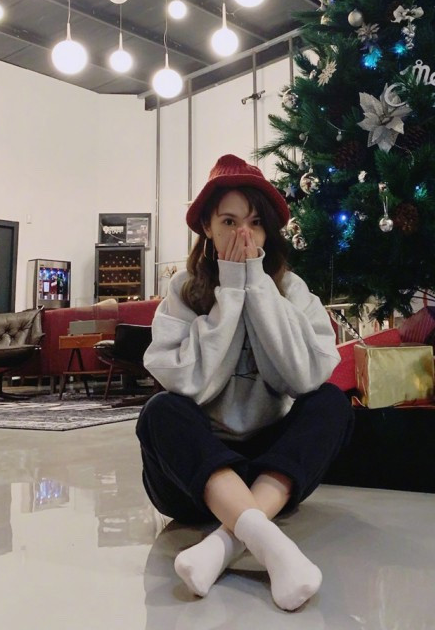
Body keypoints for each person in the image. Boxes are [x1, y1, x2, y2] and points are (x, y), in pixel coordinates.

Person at [136, 154, 353, 612]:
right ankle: (270, 544)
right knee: (160, 411)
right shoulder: (183, 290)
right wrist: (231, 292)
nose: (243, 236)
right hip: (195, 476)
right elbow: (192, 385)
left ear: (268, 231)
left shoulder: (291, 289)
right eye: (229, 222)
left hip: (268, 471)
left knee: (331, 402)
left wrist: (258, 288)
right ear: (207, 228)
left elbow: (303, 376)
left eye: (255, 223)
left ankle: (224, 543)